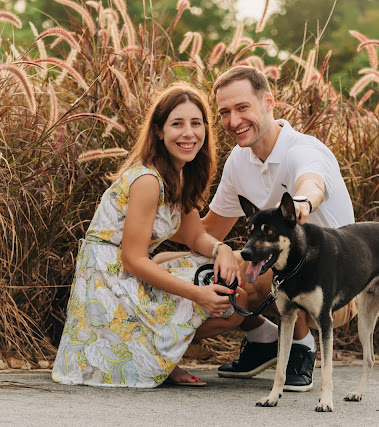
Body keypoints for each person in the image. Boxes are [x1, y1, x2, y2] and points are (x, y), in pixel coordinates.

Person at [51, 81, 247, 388]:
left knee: (233, 299)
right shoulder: (147, 180)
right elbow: (132, 260)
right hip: (109, 281)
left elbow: (196, 237)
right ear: (158, 131)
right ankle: (161, 358)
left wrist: (221, 249)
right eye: (177, 124)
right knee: (219, 297)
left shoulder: (178, 175)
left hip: (129, 274)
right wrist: (198, 295)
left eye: (196, 123)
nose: (188, 133)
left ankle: (163, 353)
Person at [202, 65, 357, 392]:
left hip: (336, 283)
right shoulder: (239, 160)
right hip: (281, 270)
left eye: (243, 108)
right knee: (213, 269)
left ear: (268, 103)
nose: (233, 121)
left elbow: (312, 181)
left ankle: (302, 348)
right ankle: (263, 341)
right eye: (225, 112)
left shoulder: (303, 149)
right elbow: (208, 232)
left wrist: (302, 203)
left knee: (278, 259)